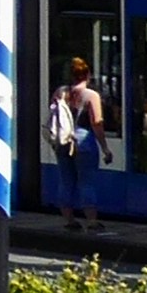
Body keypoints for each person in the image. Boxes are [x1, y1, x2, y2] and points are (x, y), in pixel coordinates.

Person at [47, 56, 108, 227]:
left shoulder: (60, 93)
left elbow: (53, 115)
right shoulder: (91, 96)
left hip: (63, 140)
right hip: (84, 141)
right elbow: (97, 123)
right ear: (87, 75)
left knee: (66, 180)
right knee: (87, 181)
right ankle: (92, 220)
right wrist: (104, 148)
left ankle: (69, 220)